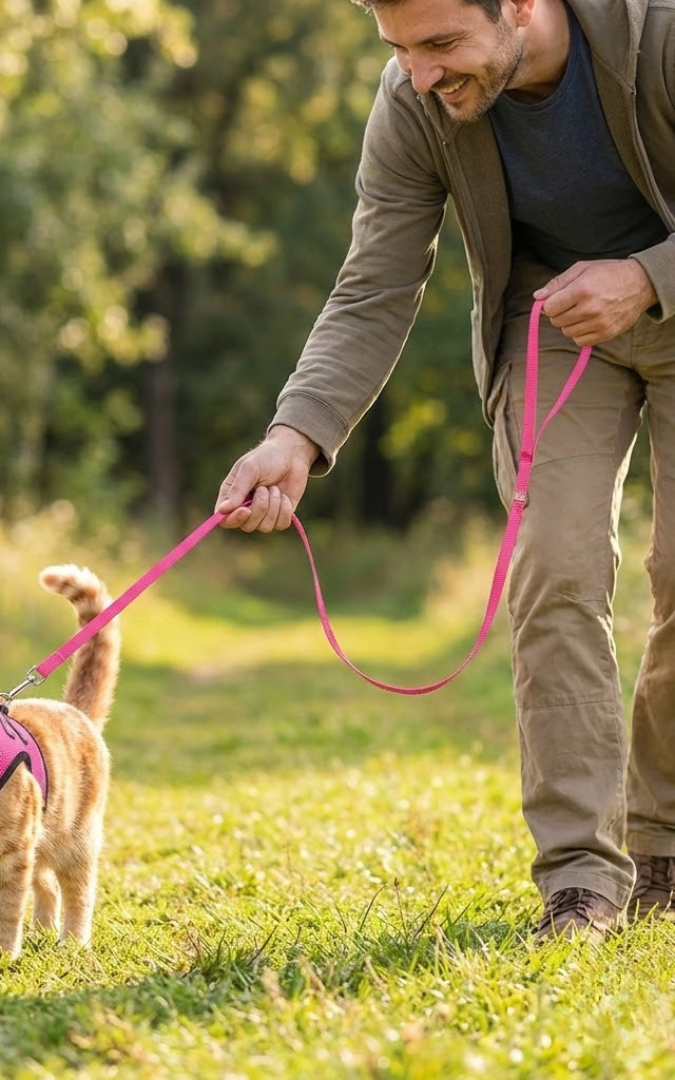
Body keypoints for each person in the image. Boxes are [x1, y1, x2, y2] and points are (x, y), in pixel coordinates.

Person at [215, 0, 675, 941]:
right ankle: (580, 881)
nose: (418, 75)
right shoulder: (415, 100)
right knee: (553, 570)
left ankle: (663, 840)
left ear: (520, 8)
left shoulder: (660, 33)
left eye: (439, 44)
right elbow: (374, 283)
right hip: (549, 327)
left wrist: (648, 276)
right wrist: (293, 437)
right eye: (398, 49)